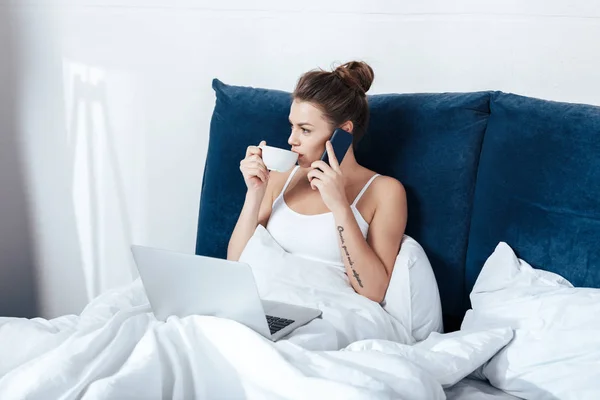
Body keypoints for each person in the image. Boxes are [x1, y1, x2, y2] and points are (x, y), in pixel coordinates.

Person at [227, 61, 407, 303]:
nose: (292, 139)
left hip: (332, 311)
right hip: (266, 302)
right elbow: (235, 265)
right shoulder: (282, 177)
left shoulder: (384, 191)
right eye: (292, 126)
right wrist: (255, 193)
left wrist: (341, 207)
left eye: (305, 130)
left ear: (343, 132)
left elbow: (373, 291)